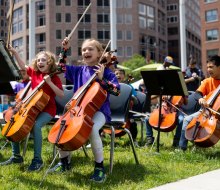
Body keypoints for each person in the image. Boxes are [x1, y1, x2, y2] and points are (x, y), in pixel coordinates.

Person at [49, 38, 120, 183]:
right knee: (62, 128)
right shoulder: (78, 70)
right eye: (83, 50)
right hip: (77, 110)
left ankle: (100, 168)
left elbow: (117, 91)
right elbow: (60, 68)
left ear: (99, 53)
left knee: (93, 129)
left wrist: (102, 80)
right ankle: (64, 163)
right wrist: (64, 49)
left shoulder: (106, 72)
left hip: (100, 111)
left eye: (90, 49)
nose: (86, 52)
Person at [0, 46, 64, 171]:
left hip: (47, 110)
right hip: (32, 108)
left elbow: (61, 94)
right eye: (39, 60)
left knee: (36, 126)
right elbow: (23, 67)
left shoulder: (54, 77)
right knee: (15, 122)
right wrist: (15, 53)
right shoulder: (35, 73)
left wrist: (50, 82)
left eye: (43, 60)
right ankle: (16, 156)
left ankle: (37, 160)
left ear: (50, 62)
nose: (40, 62)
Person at [178, 55, 220, 151]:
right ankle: (181, 148)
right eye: (207, 67)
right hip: (206, 112)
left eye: (211, 67)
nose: (208, 70)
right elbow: (197, 94)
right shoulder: (207, 81)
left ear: (219, 67)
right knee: (187, 120)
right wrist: (201, 98)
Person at [145, 56, 186, 147]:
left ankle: (177, 140)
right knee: (147, 119)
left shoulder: (180, 85)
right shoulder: (163, 83)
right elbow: (153, 96)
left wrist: (183, 97)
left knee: (181, 120)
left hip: (175, 110)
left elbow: (186, 102)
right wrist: (161, 94)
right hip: (163, 107)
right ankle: (149, 139)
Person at [114, 68, 139, 146]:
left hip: (125, 111)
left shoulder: (129, 87)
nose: (118, 75)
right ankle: (99, 138)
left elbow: (135, 100)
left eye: (121, 73)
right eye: (116, 73)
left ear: (124, 76)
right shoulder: (111, 85)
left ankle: (134, 140)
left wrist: (131, 96)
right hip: (112, 109)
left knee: (132, 122)